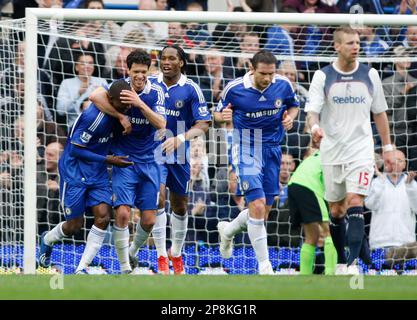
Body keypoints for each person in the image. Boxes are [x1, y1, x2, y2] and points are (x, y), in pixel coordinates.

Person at [305, 26, 395, 274]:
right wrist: (314, 128)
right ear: (337, 46)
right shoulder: (322, 77)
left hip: (361, 150)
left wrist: (387, 146)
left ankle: (353, 264)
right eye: (350, 43)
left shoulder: (370, 75)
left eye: (357, 42)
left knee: (356, 200)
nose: (356, 46)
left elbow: (379, 113)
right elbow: (311, 113)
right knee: (336, 210)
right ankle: (344, 262)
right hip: (332, 151)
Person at [214, 50, 299, 274]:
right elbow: (216, 114)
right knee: (258, 204)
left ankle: (229, 230)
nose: (268, 78)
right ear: (252, 69)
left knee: (262, 211)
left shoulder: (283, 85)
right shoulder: (235, 88)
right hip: (246, 148)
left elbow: (293, 105)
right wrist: (221, 117)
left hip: (272, 150)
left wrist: (290, 117)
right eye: (263, 73)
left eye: (271, 73)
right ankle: (265, 266)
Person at [38, 79, 134, 273]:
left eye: (128, 105)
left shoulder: (120, 107)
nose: (126, 108)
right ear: (111, 99)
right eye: (122, 105)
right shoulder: (93, 117)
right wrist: (109, 160)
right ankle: (47, 239)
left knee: (103, 217)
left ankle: (82, 268)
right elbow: (74, 150)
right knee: (74, 226)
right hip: (75, 172)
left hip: (97, 172)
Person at [131, 45, 211, 275]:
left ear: (181, 62)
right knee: (158, 198)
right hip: (152, 150)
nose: (165, 62)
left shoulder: (191, 89)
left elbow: (203, 123)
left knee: (180, 205)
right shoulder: (150, 83)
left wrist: (180, 138)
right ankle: (161, 256)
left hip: (178, 152)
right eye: (162, 58)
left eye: (171, 58)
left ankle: (176, 252)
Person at [89, 49, 166, 274]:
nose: (140, 76)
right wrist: (121, 116)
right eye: (136, 72)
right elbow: (95, 97)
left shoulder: (157, 92)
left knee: (150, 220)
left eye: (144, 71)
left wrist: (139, 103)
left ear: (150, 71)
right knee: (122, 214)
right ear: (128, 71)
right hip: (124, 160)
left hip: (150, 161)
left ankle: (132, 251)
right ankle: (124, 268)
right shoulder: (119, 86)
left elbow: (162, 123)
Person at [288, 147, 337, 275]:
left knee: (311, 236)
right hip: (310, 187)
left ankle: (305, 275)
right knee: (329, 232)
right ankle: (331, 273)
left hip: (293, 185)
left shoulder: (319, 155)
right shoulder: (334, 157)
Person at [365, 149, 417, 252]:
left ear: (405, 164)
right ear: (387, 163)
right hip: (379, 244)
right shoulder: (377, 182)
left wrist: (410, 187)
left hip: (406, 244)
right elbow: (369, 205)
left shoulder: (412, 184)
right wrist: (380, 181)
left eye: (399, 160)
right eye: (393, 160)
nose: (395, 163)